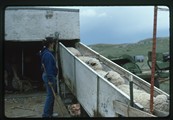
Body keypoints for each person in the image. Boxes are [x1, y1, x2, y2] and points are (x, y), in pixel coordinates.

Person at [40, 37, 58, 118]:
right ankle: (46, 114)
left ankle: (50, 113)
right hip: (49, 77)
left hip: (47, 76)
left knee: (51, 96)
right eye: (53, 43)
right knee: (50, 96)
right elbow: (49, 69)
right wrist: (51, 80)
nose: (54, 45)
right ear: (50, 44)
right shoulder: (48, 55)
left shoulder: (45, 52)